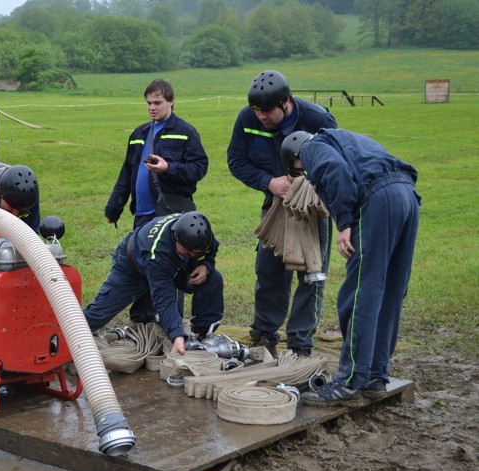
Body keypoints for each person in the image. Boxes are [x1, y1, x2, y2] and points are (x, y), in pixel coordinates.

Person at [281, 130, 421, 406]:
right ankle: (375, 376)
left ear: (296, 156)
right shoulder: (346, 140)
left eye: (301, 171)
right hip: (407, 196)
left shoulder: (312, 147)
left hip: (378, 200)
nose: (306, 176)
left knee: (360, 291)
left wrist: (344, 223)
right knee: (391, 291)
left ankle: (349, 381)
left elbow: (334, 170)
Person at [227, 70, 338, 357]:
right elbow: (236, 160)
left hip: (313, 209)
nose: (261, 117)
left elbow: (336, 162)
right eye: (256, 110)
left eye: (267, 111)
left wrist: (309, 186)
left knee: (311, 274)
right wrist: (269, 182)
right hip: (274, 205)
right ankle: (264, 334)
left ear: (285, 102)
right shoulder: (247, 119)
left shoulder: (318, 120)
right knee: (268, 271)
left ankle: (300, 344)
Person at [104, 78, 209, 325]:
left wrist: (169, 168)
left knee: (170, 267)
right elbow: (126, 173)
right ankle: (142, 321)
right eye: (149, 103)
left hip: (170, 215)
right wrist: (114, 207)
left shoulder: (186, 132)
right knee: (140, 265)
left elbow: (199, 168)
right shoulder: (139, 134)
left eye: (158, 102)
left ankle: (170, 322)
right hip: (142, 214)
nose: (152, 107)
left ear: (171, 102)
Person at [83, 211, 224, 355]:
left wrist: (206, 265)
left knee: (213, 279)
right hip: (131, 266)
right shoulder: (158, 255)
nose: (193, 256)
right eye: (189, 252)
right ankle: (65, 338)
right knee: (96, 316)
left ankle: (202, 334)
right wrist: (177, 335)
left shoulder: (200, 236)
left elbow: (212, 248)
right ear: (176, 236)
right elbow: (164, 299)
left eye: (197, 253)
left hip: (170, 265)